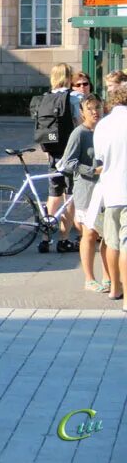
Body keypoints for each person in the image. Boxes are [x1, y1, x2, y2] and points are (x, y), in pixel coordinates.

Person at [60, 95, 110, 292]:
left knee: (108, 236)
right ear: (82, 113)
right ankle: (89, 278)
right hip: (87, 190)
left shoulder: (106, 131)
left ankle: (108, 276)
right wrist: (91, 170)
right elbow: (68, 162)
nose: (95, 111)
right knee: (89, 234)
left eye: (98, 107)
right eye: (90, 109)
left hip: (107, 189)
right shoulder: (79, 133)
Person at [92, 81, 127, 306]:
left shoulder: (103, 125)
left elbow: (100, 160)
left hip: (112, 191)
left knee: (112, 242)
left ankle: (115, 288)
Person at [42, 63, 78, 253]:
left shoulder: (46, 98)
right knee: (69, 197)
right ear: (69, 77)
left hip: (53, 153)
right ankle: (63, 240)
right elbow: (80, 124)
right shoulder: (72, 98)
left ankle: (45, 238)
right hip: (69, 154)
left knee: (53, 196)